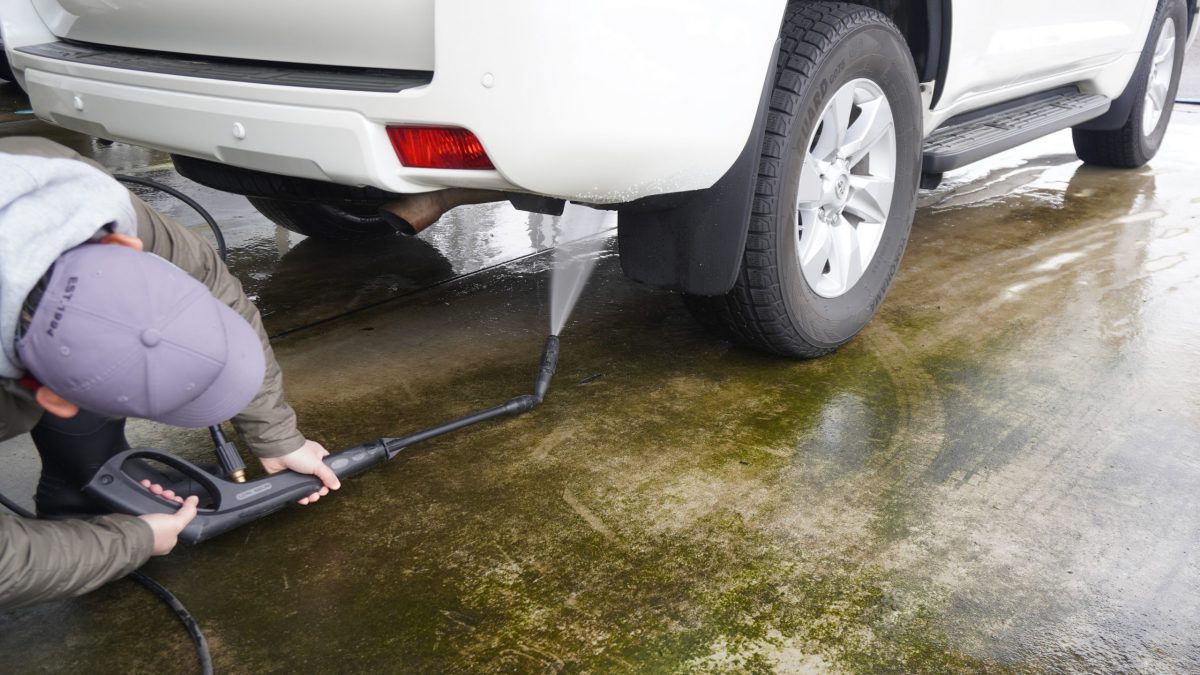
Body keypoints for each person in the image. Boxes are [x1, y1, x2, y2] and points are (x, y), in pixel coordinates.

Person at [0, 137, 340, 609]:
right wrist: (131, 540)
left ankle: (77, 489)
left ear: (123, 244)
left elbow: (213, 290)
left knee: (92, 358)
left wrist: (278, 437)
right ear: (52, 399)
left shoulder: (76, 197)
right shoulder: (102, 229)